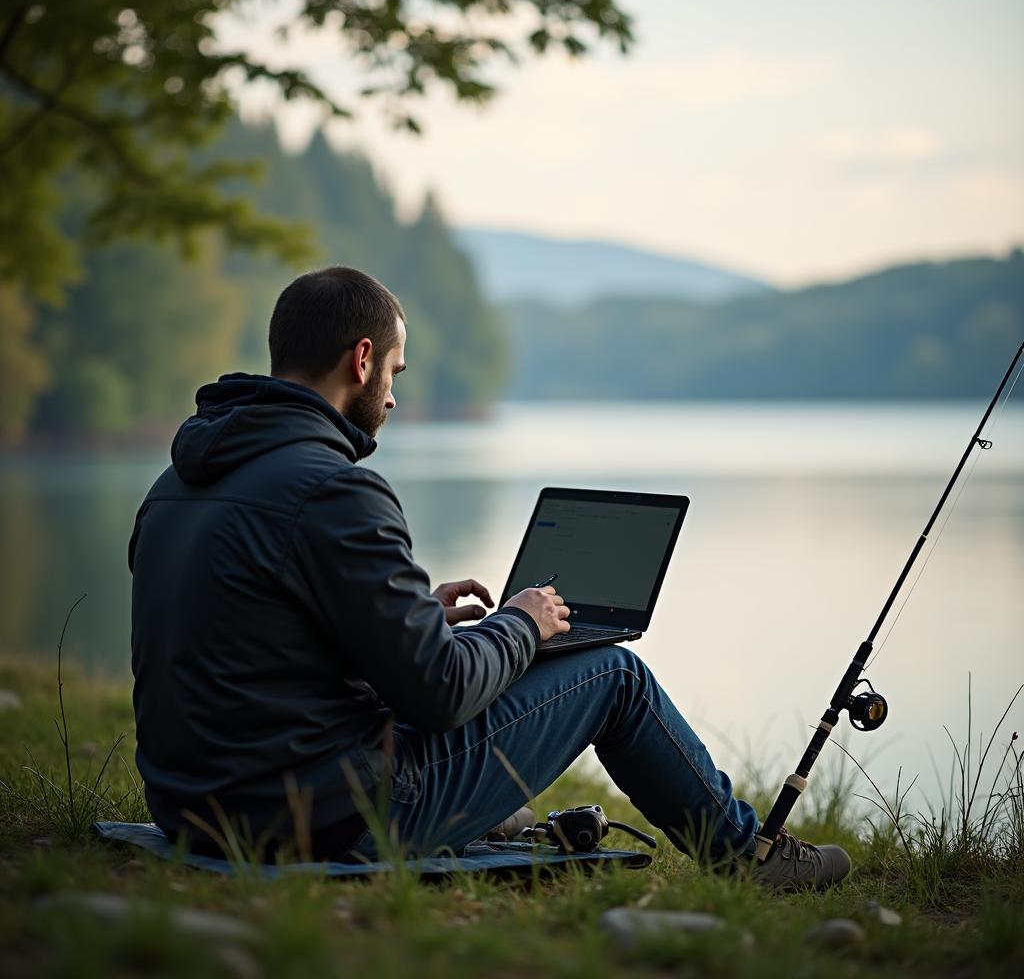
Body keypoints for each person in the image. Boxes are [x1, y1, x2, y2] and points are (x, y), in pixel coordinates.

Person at [129, 266, 850, 890]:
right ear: (361, 360)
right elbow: (440, 694)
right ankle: (742, 854)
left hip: (195, 805)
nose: (392, 398)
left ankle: (490, 800)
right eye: (394, 375)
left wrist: (412, 618)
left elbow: (253, 636)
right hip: (319, 817)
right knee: (614, 676)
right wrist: (522, 622)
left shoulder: (178, 481)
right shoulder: (336, 490)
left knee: (452, 681)